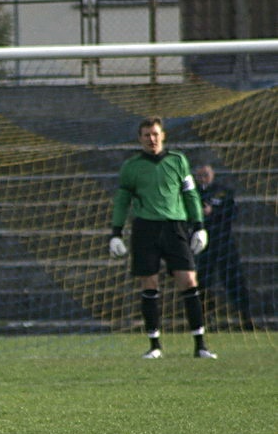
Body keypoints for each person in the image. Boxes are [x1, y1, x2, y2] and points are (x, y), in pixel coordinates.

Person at [109, 116, 217, 359]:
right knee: (149, 284)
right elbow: (122, 201)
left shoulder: (178, 161)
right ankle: (155, 345)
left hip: (175, 228)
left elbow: (190, 196)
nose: (152, 139)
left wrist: (199, 226)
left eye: (155, 134)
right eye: (147, 135)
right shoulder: (131, 167)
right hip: (145, 229)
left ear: (163, 136)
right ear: (140, 139)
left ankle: (200, 345)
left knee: (189, 280)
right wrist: (115, 233)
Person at [193, 164, 254, 330]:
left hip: (224, 242)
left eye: (206, 174)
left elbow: (232, 213)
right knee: (203, 281)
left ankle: (246, 318)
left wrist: (213, 212)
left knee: (234, 279)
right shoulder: (192, 193)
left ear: (212, 174)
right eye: (200, 175)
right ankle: (205, 319)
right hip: (202, 244)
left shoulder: (223, 192)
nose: (203, 178)